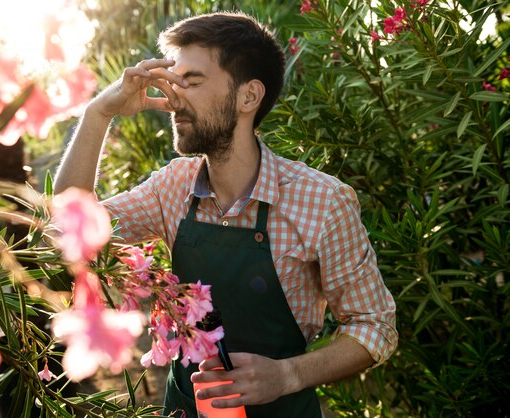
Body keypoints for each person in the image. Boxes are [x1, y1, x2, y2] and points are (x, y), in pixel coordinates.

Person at [54, 11, 398, 418]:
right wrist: (98, 113)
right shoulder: (173, 186)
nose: (174, 96)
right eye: (173, 80)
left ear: (248, 96)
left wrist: (287, 375)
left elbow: (374, 326)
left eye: (193, 81)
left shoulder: (322, 201)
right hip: (185, 408)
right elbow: (69, 229)